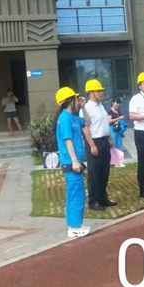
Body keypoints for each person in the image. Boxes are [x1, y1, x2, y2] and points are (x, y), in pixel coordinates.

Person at [53, 87, 90, 239]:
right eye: (75, 99)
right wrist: (75, 161)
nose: (77, 100)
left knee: (74, 194)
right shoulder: (65, 119)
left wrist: (83, 107)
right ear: (69, 101)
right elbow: (68, 141)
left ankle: (73, 225)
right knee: (77, 195)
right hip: (71, 163)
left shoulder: (72, 117)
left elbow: (88, 121)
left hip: (74, 162)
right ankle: (75, 227)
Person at [79, 79, 116, 211]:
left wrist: (110, 138)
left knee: (104, 171)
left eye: (101, 91)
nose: (101, 93)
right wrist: (92, 145)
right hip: (94, 141)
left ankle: (103, 196)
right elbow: (85, 128)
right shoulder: (86, 108)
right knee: (95, 173)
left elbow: (104, 123)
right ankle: (94, 200)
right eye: (98, 91)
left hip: (104, 140)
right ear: (91, 93)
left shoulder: (101, 106)